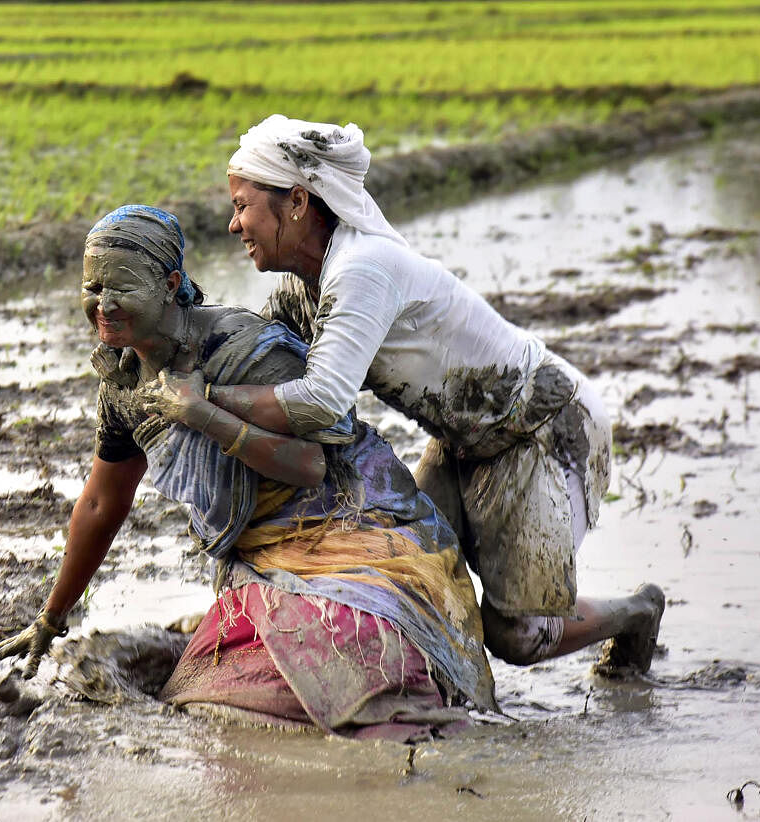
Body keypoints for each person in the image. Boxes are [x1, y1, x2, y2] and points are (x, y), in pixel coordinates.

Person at [0, 205, 497, 740]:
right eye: (92, 287)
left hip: (350, 528)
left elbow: (312, 466)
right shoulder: (123, 379)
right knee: (220, 690)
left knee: (354, 660)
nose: (103, 306)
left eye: (121, 288)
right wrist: (51, 617)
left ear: (170, 284)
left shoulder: (245, 351)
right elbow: (100, 502)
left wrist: (204, 413)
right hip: (260, 553)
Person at [205, 115, 663, 674]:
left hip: (539, 431)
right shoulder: (308, 284)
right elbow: (258, 351)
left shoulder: (362, 270)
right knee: (398, 571)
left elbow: (322, 400)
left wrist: (207, 405)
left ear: (297, 201)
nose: (234, 224)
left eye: (242, 205)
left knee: (517, 637)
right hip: (461, 441)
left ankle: (639, 611)